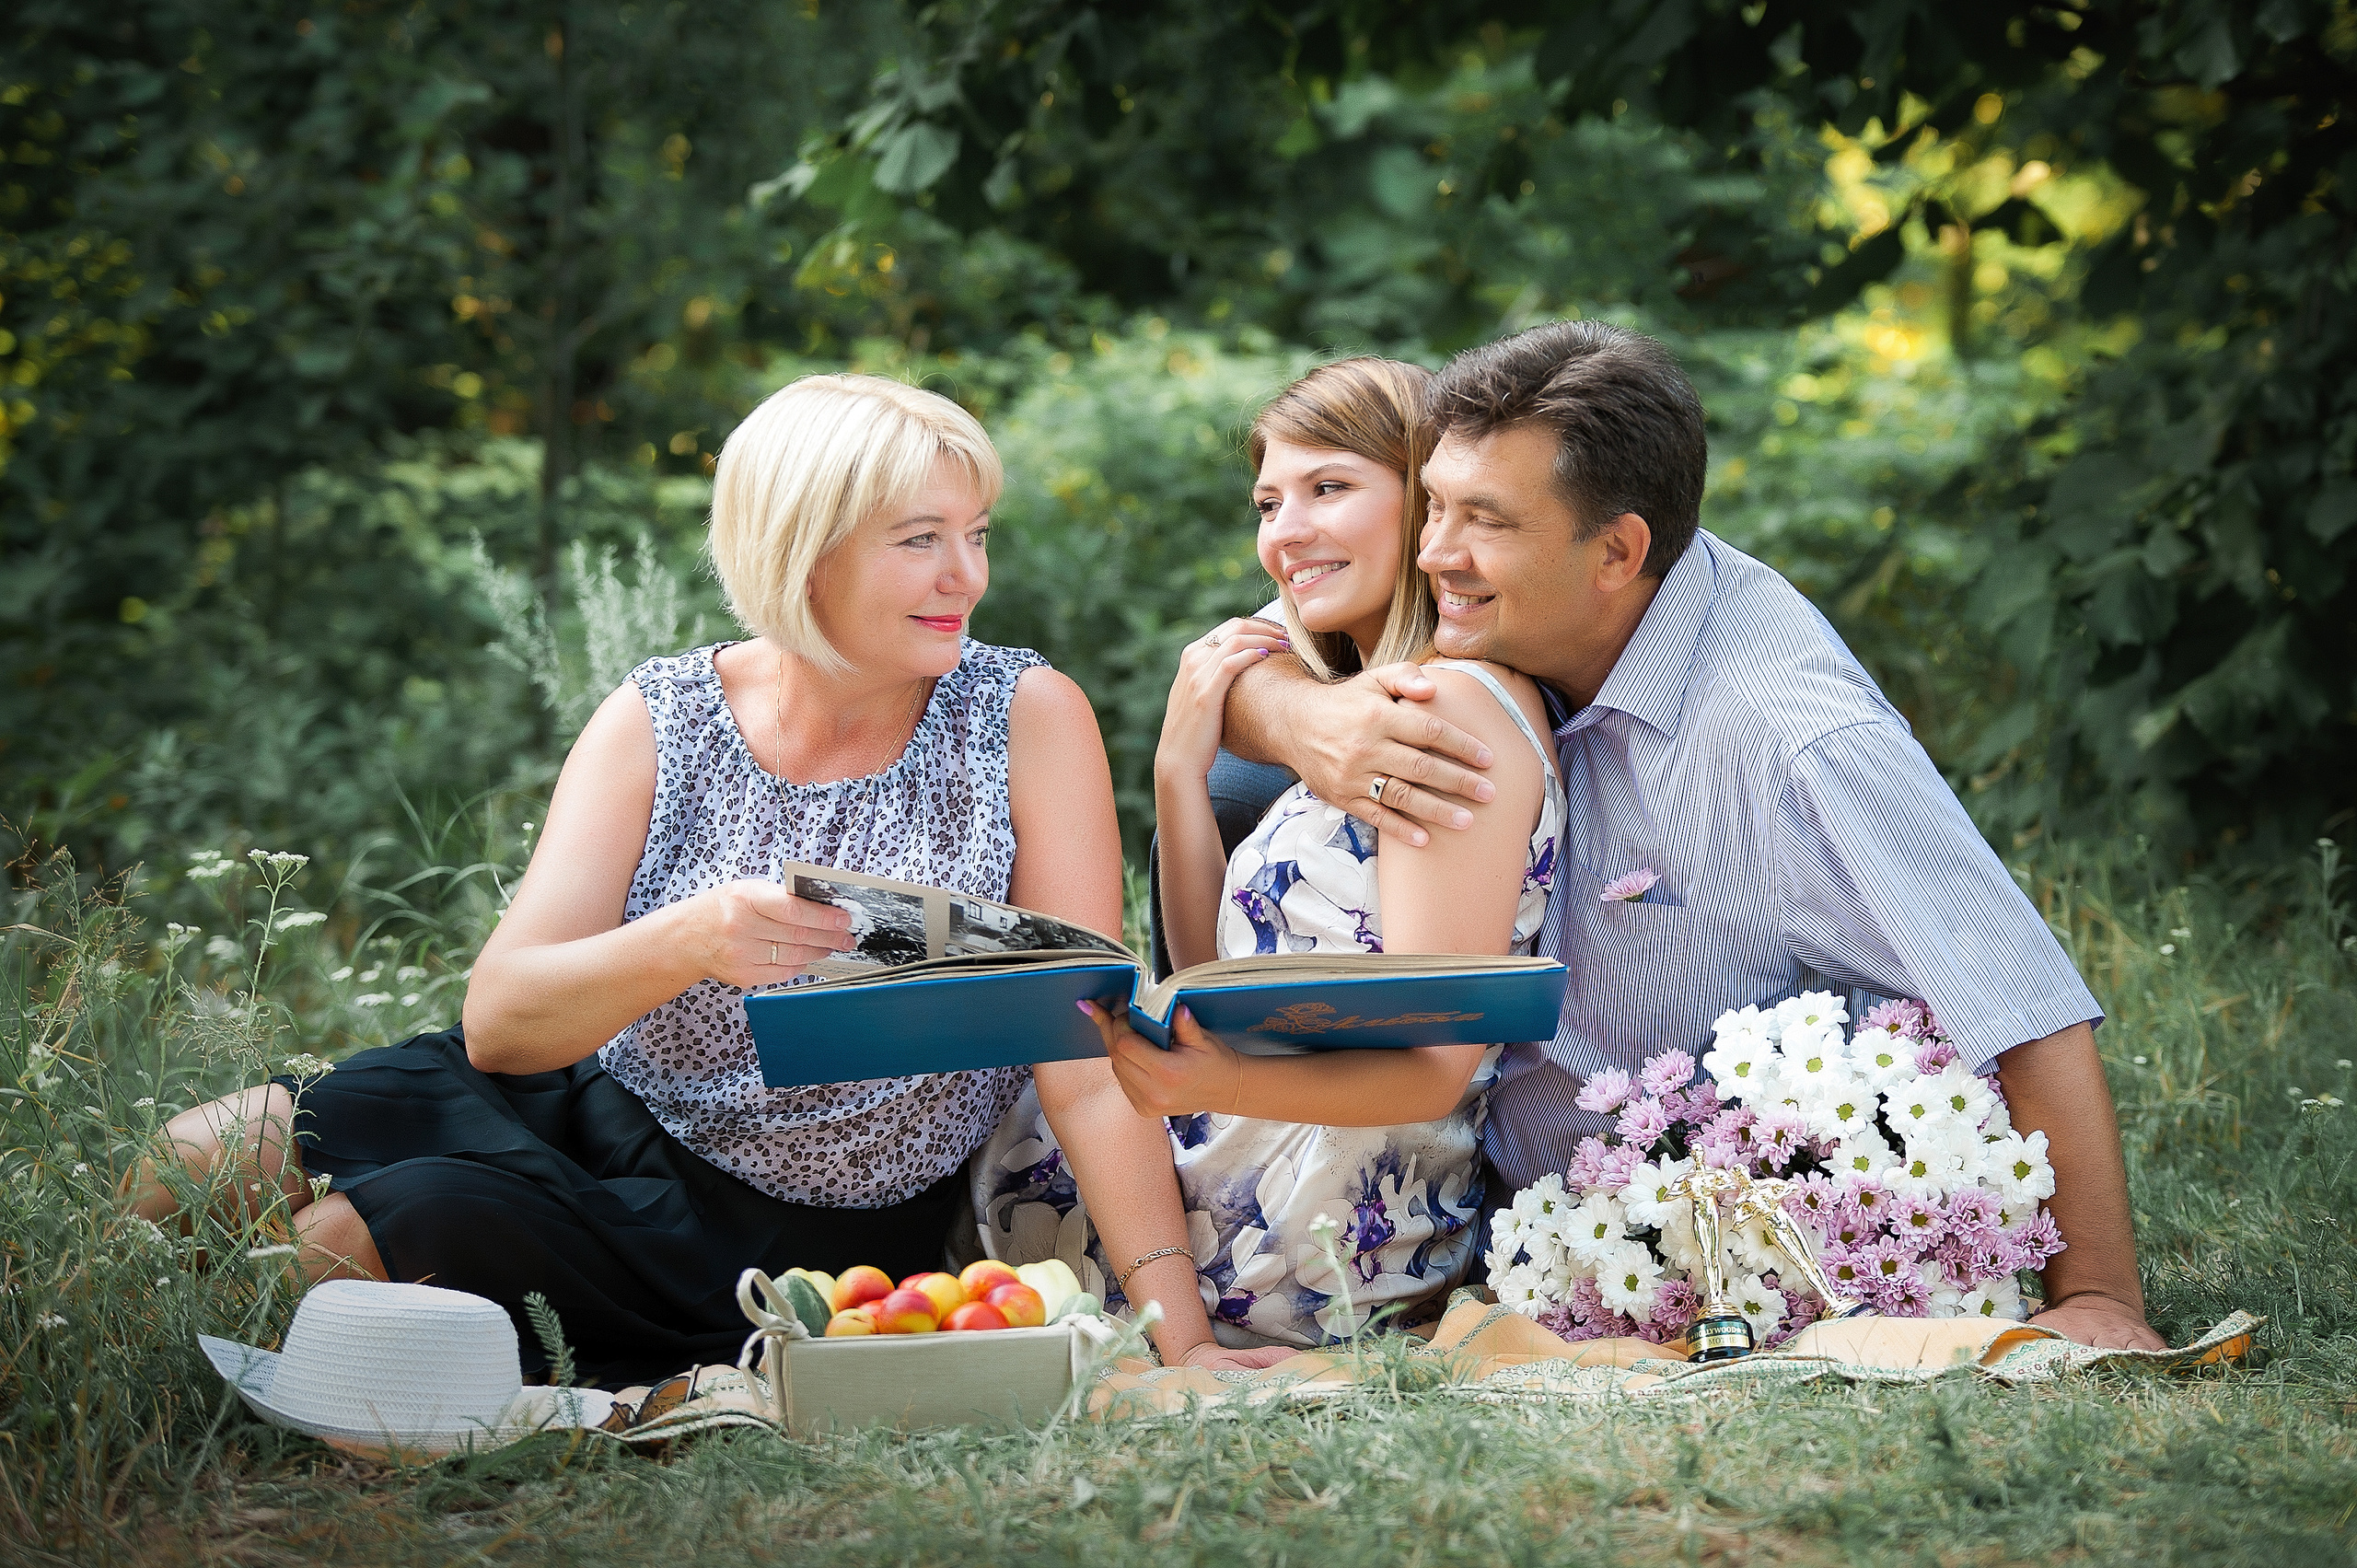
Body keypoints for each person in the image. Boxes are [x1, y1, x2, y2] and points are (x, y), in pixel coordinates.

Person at [129, 375, 1260, 1382]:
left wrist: (1183, 1332)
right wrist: (687, 939)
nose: (965, 575)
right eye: (921, 538)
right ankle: (90, 1381)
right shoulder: (661, 712)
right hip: (593, 1104)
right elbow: (502, 1024)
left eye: (975, 533)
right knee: (194, 1157)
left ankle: (237, 1392)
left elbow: (1081, 1049)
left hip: (782, 1219)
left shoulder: (1023, 714)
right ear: (802, 544)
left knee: (351, 1235)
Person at [1210, 320, 2165, 1352]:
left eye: (1480, 519)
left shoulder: (1792, 738)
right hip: (1487, 1207)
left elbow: (2019, 1000)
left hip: (1714, 1216)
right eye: (1435, 502)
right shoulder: (1542, 604)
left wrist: (2100, 1294)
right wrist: (1295, 717)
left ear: (1617, 548)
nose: (1433, 550)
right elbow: (1237, 652)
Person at [985, 358, 1566, 1350]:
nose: (1284, 532)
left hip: (1320, 1229)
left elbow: (1434, 1064)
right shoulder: (1371, 706)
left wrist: (1205, 1086)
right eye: (1267, 501)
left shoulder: (1446, 712)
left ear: (1427, 502)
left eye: (1328, 487)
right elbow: (1207, 979)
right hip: (1268, 1169)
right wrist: (1178, 768)